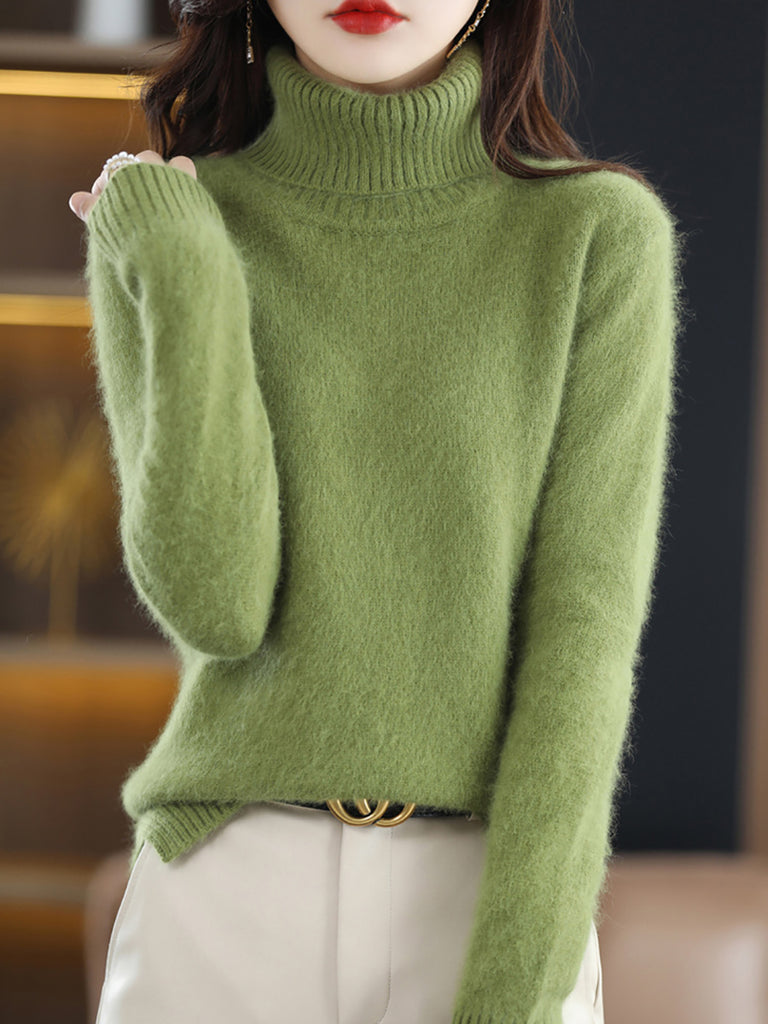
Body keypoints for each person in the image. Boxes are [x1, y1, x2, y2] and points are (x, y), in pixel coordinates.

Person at [68, 1, 688, 1021]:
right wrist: (185, 270)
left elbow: (582, 656)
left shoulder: (598, 237)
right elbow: (218, 604)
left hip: (483, 898)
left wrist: (514, 996)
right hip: (221, 905)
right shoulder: (170, 218)